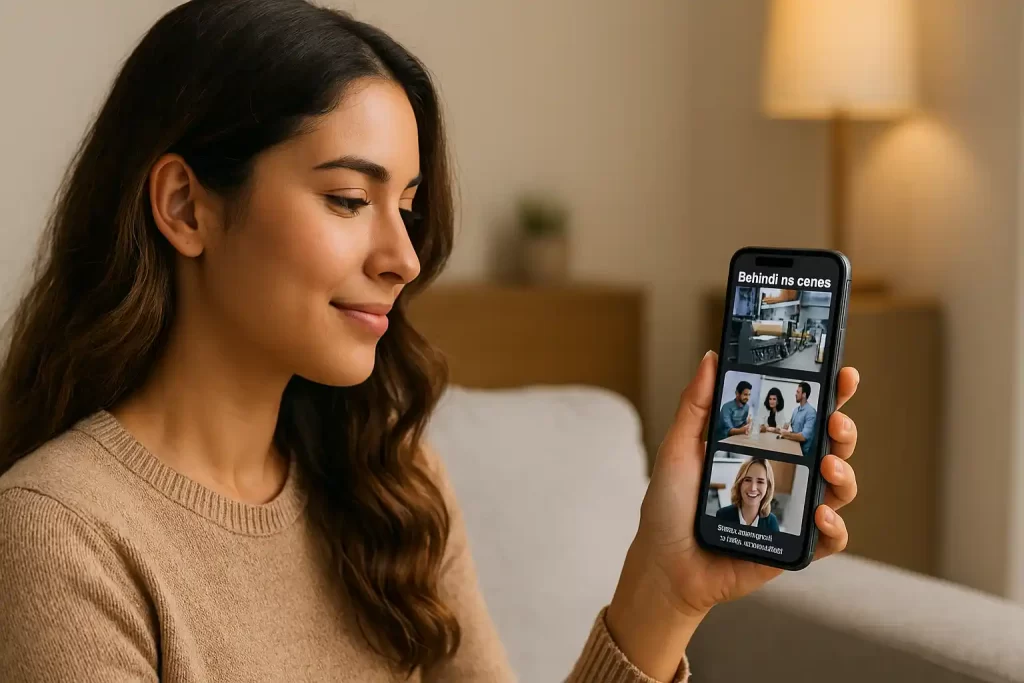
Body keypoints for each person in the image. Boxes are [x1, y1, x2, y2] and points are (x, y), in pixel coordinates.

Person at [0, 2, 862, 681]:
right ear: (186, 207)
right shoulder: (58, 537)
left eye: (407, 208)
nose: (404, 257)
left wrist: (665, 590)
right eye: (347, 199)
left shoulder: (391, 483)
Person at [715, 459, 781, 532]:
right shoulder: (722, 516)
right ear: (740, 483)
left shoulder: (771, 523)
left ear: (768, 487)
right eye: (747, 480)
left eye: (760, 482)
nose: (753, 488)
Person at [781, 381, 818, 457]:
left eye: (798, 392)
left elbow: (803, 437)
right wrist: (786, 429)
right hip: (793, 445)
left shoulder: (811, 412)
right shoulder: (795, 410)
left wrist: (786, 434)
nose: (795, 394)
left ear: (804, 395)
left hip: (803, 453)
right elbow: (793, 430)